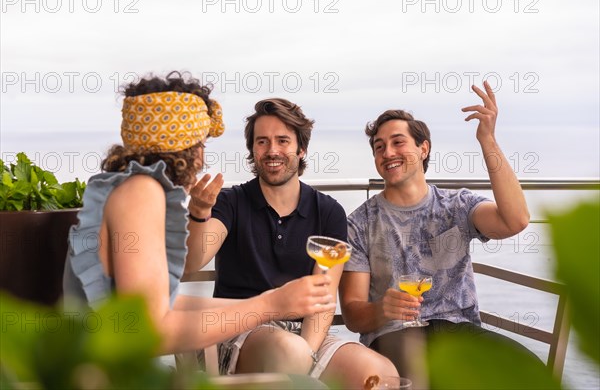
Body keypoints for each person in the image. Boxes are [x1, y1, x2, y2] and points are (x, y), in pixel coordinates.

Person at [62, 72, 337, 355]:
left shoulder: (133, 188)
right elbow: (149, 331)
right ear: (184, 146)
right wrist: (270, 306)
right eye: (202, 144)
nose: (202, 158)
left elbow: (162, 303)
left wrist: (270, 302)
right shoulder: (141, 193)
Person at [185, 98, 398, 388]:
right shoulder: (231, 202)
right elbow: (193, 260)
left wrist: (308, 353)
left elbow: (322, 298)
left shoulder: (329, 212)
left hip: (304, 334)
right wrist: (198, 214)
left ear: (301, 149)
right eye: (262, 142)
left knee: (380, 374)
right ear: (253, 150)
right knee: (288, 352)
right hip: (237, 327)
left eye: (282, 141)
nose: (272, 151)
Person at [339, 82, 534, 387]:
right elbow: (352, 315)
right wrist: (381, 310)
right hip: (394, 339)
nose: (388, 152)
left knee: (530, 372)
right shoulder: (359, 224)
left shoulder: (457, 206)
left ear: (423, 148)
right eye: (379, 147)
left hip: (459, 335)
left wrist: (488, 141)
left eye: (398, 142)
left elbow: (516, 220)